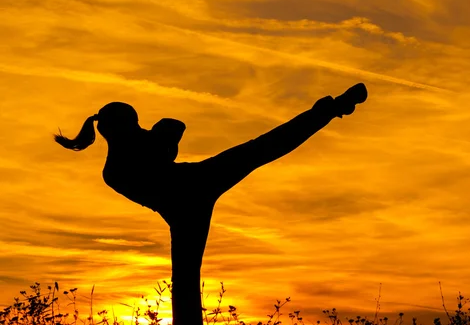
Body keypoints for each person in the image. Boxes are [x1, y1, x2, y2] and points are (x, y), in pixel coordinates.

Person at [54, 83, 368, 229]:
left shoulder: (115, 168)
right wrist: (156, 137)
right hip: (192, 190)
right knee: (264, 147)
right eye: (133, 123)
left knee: (264, 147)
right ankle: (330, 109)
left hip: (191, 193)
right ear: (121, 127)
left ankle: (330, 109)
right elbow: (164, 154)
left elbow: (172, 133)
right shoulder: (120, 166)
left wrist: (156, 136)